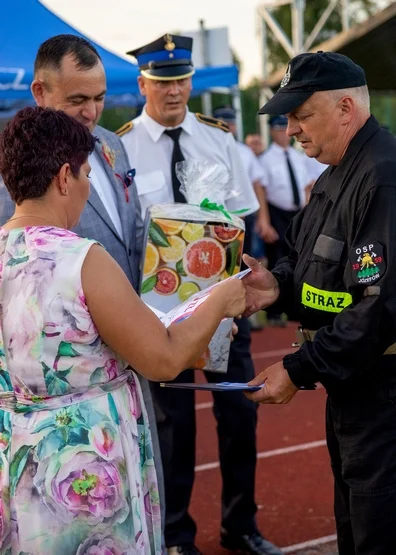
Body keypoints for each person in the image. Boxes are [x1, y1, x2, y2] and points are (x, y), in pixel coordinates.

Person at [0, 105, 247, 554]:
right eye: (86, 175)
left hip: (14, 465)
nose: (88, 186)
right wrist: (220, 302)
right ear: (63, 178)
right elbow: (163, 359)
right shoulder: (82, 259)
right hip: (82, 471)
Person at [117, 34, 283, 555]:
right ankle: (175, 536)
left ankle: (241, 525)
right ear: (143, 83)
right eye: (164, 83)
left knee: (239, 414)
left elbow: (236, 221)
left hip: (223, 304)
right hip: (157, 311)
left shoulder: (218, 140)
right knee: (172, 427)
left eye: (183, 80)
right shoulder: (120, 146)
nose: (175, 92)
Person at [0, 34, 167, 541]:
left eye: (98, 98)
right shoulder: (15, 160)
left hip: (126, 362)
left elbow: (133, 236)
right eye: (78, 100)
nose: (92, 112)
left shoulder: (112, 147)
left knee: (143, 483)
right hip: (57, 391)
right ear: (40, 92)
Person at [242, 51, 396, 555]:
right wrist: (276, 287)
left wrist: (299, 366)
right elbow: (302, 258)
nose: (291, 132)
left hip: (383, 396)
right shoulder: (335, 173)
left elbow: (379, 307)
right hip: (352, 388)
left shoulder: (381, 177)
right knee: (355, 530)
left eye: (301, 115)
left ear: (346, 108)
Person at [256, 115, 311, 327]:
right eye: (278, 129)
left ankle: (295, 308)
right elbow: (261, 190)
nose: (283, 133)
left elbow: (306, 186)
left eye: (284, 128)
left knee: (299, 260)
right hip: (276, 212)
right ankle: (274, 312)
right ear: (271, 131)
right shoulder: (266, 159)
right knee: (278, 259)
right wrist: (265, 221)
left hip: (298, 212)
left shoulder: (298, 157)